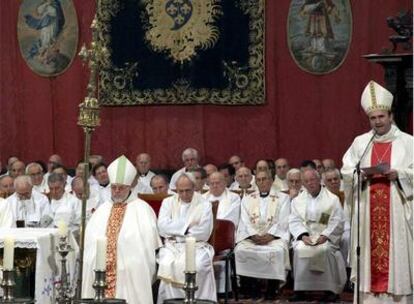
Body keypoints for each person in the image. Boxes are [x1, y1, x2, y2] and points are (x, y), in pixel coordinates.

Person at [341, 81, 413, 303]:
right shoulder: (361, 143)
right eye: (373, 118)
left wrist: (399, 174)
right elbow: (347, 170)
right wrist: (358, 175)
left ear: (390, 116)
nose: (377, 122)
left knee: (396, 259)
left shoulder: (408, 142)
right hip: (367, 212)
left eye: (381, 117)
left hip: (396, 212)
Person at [82, 155, 161, 303]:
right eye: (114, 187)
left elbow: (148, 247)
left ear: (130, 186)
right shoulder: (102, 209)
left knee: (134, 266)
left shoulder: (143, 209)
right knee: (89, 263)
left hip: (130, 265)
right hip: (100, 265)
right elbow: (90, 240)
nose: (117, 191)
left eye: (121, 187)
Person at [157, 173, 216, 303]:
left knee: (199, 265)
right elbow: (162, 227)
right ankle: (171, 301)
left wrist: (176, 232)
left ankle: (200, 301)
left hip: (197, 246)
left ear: (194, 188)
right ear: (176, 190)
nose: (184, 195)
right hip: (172, 247)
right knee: (166, 263)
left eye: (187, 190)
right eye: (180, 191)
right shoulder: (168, 202)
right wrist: (187, 227)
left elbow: (203, 232)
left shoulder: (204, 204)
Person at [289, 169, 346, 302]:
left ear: (319, 179)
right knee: (299, 249)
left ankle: (330, 290)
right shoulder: (298, 200)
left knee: (324, 249)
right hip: (306, 237)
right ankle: (300, 289)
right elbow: (294, 220)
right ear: (303, 183)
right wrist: (303, 236)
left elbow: (337, 220)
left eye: (313, 180)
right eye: (307, 181)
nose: (310, 183)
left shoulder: (332, 199)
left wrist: (325, 236)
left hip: (325, 237)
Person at [235, 170, 291, 300]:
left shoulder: (283, 198)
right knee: (240, 250)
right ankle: (250, 286)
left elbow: (284, 220)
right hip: (253, 238)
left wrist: (271, 235)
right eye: (259, 180)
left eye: (265, 179)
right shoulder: (247, 199)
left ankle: (273, 287)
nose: (262, 182)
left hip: (274, 237)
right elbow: (244, 220)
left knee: (278, 250)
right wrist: (253, 235)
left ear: (271, 181)